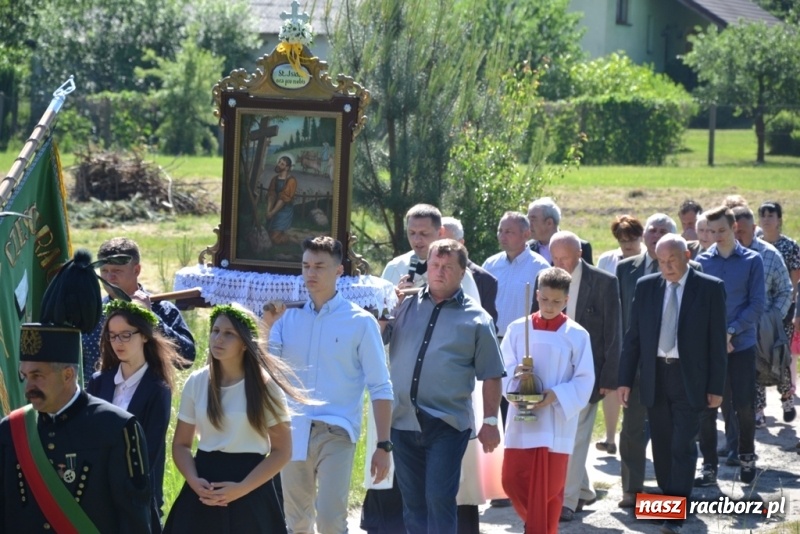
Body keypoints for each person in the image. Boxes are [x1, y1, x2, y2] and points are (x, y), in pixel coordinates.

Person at [0, 250, 152, 533]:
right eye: (25, 376)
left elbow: (135, 519)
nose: (29, 386)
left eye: (38, 376)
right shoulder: (11, 430)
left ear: (68, 374)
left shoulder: (118, 428)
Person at [268, 236, 393, 534]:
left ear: (338, 271)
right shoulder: (287, 319)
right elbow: (269, 373)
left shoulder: (360, 322)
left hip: (336, 430)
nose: (310, 273)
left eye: (319, 266)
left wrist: (384, 446)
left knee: (330, 521)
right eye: (306, 266)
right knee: (296, 523)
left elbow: (381, 386)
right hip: (292, 429)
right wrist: (267, 325)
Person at [385, 239, 504, 533]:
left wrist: (490, 421)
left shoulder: (477, 319)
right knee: (413, 504)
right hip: (402, 420)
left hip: (447, 423)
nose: (439, 272)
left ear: (463, 272)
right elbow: (377, 339)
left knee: (439, 499)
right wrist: (389, 306)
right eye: (435, 265)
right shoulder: (404, 304)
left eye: (447, 267)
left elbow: (491, 374)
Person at [618, 234, 727, 534]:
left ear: (687, 257)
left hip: (689, 378)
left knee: (683, 444)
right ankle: (671, 498)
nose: (667, 268)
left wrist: (716, 387)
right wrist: (625, 379)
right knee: (663, 446)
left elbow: (717, 344)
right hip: (655, 375)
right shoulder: (647, 287)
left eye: (672, 261)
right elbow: (633, 338)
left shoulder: (710, 288)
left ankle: (675, 513)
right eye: (662, 262)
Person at [165, 304, 305, 533]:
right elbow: (181, 444)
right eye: (215, 331)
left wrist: (240, 489)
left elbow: (282, 451)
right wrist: (193, 480)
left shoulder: (265, 387)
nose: (218, 339)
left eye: (229, 334)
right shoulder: (196, 382)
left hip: (250, 487)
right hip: (204, 488)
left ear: (244, 343)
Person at [531, 232, 621, 522]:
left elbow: (613, 333)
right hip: (553, 370)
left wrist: (609, 375)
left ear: (579, 253)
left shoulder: (605, 282)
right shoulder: (545, 279)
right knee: (566, 435)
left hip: (588, 373)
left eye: (565, 258)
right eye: (554, 258)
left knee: (576, 436)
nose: (558, 263)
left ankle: (566, 501)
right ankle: (583, 489)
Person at [501, 267, 595, 534]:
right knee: (511, 481)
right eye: (544, 299)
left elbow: (584, 379)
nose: (549, 306)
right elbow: (503, 367)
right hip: (522, 420)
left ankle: (539, 530)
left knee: (549, 491)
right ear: (537, 295)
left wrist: (555, 395)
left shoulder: (576, 334)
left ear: (566, 300)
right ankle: (538, 527)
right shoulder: (518, 329)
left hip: (555, 422)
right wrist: (516, 377)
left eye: (556, 301)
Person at [87, 299, 185, 532]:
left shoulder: (157, 388)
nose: (117, 342)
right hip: (98, 491)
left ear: (144, 335)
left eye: (125, 335)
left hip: (136, 493)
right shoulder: (99, 381)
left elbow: (149, 451)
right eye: (112, 335)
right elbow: (87, 434)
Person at [615, 213, 686, 508]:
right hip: (637, 363)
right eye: (652, 230)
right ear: (644, 236)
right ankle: (631, 489)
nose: (655, 235)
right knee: (631, 428)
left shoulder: (687, 272)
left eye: (662, 231)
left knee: (667, 430)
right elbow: (623, 322)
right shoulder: (625, 269)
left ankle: (669, 490)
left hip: (671, 365)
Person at [695, 205, 765, 486]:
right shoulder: (702, 262)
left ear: (734, 226)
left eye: (721, 230)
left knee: (744, 406)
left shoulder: (752, 260)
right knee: (707, 407)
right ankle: (709, 466)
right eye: (711, 231)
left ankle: (747, 456)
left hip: (742, 345)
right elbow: (699, 306)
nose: (716, 236)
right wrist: (715, 338)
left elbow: (757, 304)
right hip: (711, 349)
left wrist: (731, 331)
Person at [81, 237, 196, 383]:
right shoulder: (91, 312)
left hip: (145, 401)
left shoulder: (163, 310)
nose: (110, 277)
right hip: (97, 400)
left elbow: (186, 359)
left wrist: (150, 317)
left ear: (136, 270)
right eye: (104, 271)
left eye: (117, 270)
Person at [733, 207, 792, 430]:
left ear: (754, 229)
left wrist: (774, 316)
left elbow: (785, 289)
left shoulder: (769, 254)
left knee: (777, 366)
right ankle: (756, 412)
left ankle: (786, 396)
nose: (739, 237)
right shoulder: (724, 256)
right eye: (735, 232)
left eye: (744, 232)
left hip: (766, 324)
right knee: (749, 369)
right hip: (737, 326)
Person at [595, 215, 643, 458]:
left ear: (640, 237)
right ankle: (610, 437)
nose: (627, 244)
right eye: (622, 239)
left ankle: (633, 436)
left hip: (639, 333)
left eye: (632, 239)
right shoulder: (606, 259)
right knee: (611, 385)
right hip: (612, 331)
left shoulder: (648, 261)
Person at [759, 200, 800, 420]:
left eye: (771, 215)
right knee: (757, 357)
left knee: (781, 356)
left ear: (779, 219)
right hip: (759, 312)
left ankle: (786, 399)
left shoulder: (790, 246)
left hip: (783, 312)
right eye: (763, 215)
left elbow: (794, 283)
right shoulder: (754, 245)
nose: (766, 219)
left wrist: (786, 311)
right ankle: (759, 409)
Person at [526, 197, 593, 264]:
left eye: (533, 220)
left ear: (549, 223)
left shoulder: (579, 247)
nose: (528, 224)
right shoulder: (527, 249)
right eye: (528, 219)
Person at [266, 155, 298, 244]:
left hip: (285, 211)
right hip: (274, 208)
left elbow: (283, 199)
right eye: (279, 162)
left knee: (274, 239)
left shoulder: (291, 181)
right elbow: (271, 195)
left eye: (282, 164)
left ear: (287, 168)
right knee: (268, 234)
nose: (279, 165)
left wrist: (272, 212)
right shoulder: (274, 179)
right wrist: (269, 210)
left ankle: (290, 238)